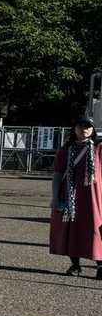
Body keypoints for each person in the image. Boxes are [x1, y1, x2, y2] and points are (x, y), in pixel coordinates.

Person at [49, 116, 102, 278]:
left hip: (94, 197)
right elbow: (58, 174)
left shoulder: (99, 148)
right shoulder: (65, 150)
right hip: (70, 195)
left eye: (88, 126)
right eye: (81, 126)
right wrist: (55, 197)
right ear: (75, 128)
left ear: (93, 130)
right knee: (71, 229)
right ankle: (75, 265)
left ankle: (100, 265)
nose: (84, 129)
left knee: (96, 228)